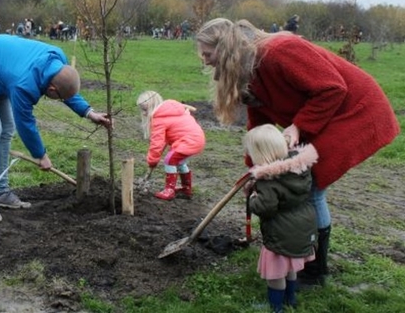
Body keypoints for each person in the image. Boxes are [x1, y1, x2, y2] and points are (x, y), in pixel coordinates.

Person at [195, 18, 400, 287]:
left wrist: (298, 126)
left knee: (309, 184)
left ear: (225, 48)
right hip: (325, 116)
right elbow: (260, 122)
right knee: (299, 182)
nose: (205, 60)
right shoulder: (249, 68)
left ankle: (314, 270)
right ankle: (303, 257)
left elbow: (332, 88)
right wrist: (254, 167)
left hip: (355, 111)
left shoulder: (279, 52)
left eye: (207, 54)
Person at [0, 35, 112, 223]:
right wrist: (41, 155)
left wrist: (89, 112)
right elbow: (26, 124)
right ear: (52, 90)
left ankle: (0, 192)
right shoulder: (23, 84)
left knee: (6, 129)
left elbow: (65, 87)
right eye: (59, 98)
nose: (60, 100)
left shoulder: (58, 60)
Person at [244, 124, 318, 312]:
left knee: (275, 274)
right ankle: (290, 300)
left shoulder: (268, 180)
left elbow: (266, 208)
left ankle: (276, 307)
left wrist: (252, 198)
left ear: (260, 154)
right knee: (290, 267)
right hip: (303, 225)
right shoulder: (299, 167)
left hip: (281, 231)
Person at [136, 91, 205, 200]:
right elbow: (163, 141)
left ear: (152, 106)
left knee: (169, 160)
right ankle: (186, 189)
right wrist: (156, 157)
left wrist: (152, 160)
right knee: (180, 162)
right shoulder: (171, 111)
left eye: (145, 109)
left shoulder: (159, 119)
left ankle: (169, 190)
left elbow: (156, 142)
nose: (144, 113)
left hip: (188, 141)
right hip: (197, 139)